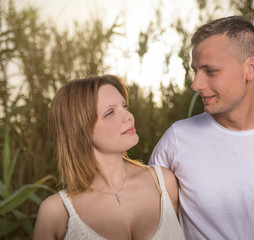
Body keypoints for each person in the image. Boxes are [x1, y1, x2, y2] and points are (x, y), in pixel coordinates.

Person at [149, 16, 254, 240]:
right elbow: (148, 224)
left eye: (210, 71)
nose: (196, 84)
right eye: (195, 71)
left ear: (250, 68)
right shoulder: (177, 139)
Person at [33, 75, 185, 240]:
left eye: (124, 106)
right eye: (110, 112)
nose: (128, 116)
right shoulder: (56, 213)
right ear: (80, 131)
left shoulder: (164, 183)